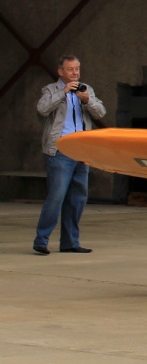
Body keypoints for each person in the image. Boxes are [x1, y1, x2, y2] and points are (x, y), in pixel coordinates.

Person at [34, 55, 105, 255]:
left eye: (77, 69)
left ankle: (70, 242)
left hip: (81, 151)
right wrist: (62, 94)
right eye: (71, 69)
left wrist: (88, 100)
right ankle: (41, 239)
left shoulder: (86, 89)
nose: (75, 72)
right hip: (59, 151)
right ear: (61, 72)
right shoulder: (50, 90)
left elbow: (100, 112)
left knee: (78, 198)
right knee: (56, 196)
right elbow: (42, 109)